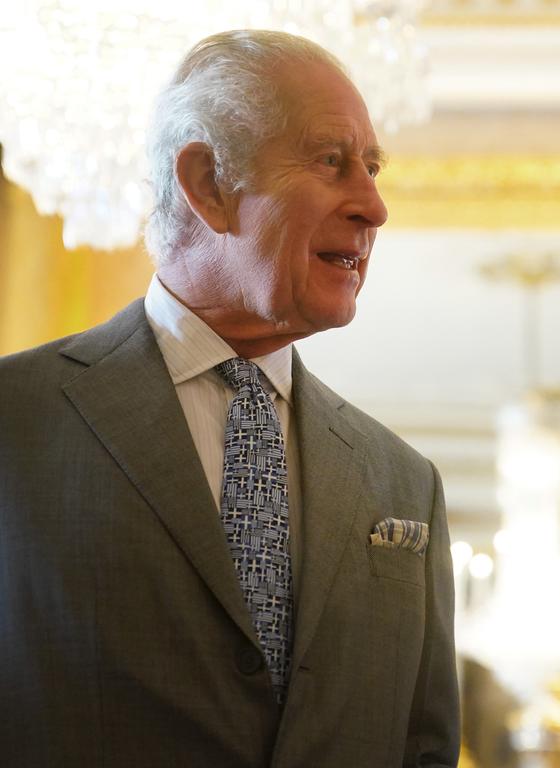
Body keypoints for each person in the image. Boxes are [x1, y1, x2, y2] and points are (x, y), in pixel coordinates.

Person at [0, 30, 459, 767]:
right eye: (333, 161)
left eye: (372, 168)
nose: (374, 206)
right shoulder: (15, 422)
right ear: (208, 183)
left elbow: (424, 746)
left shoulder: (403, 480)